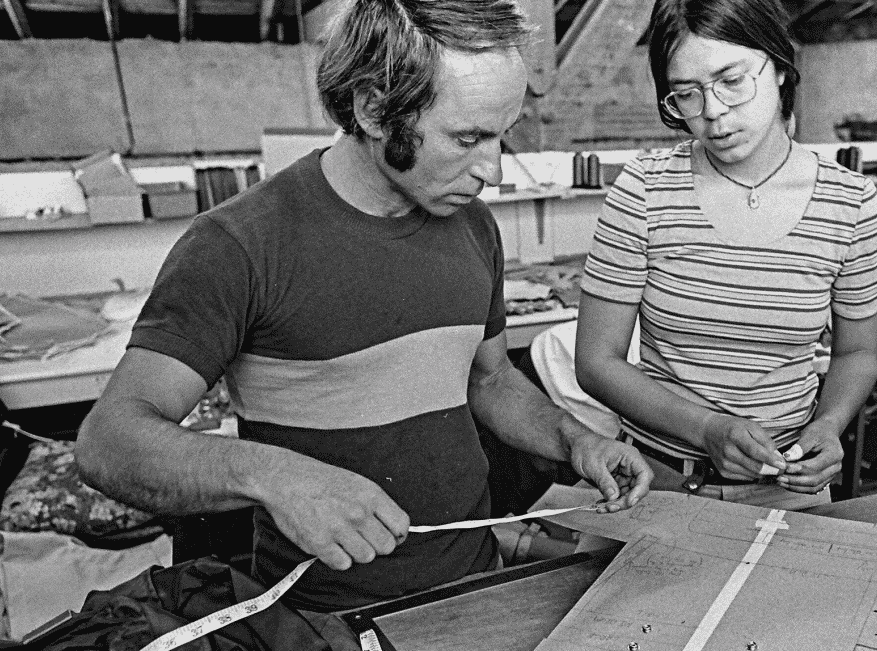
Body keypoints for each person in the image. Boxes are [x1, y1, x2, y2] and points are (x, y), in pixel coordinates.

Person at [74, 0, 651, 612]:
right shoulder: (239, 245)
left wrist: (574, 440)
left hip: (472, 587)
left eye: (501, 134)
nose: (494, 170)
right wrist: (274, 476)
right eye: (467, 137)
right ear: (374, 108)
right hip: (323, 615)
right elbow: (109, 442)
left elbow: (490, 380)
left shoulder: (473, 226)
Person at [574, 0, 877, 510]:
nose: (713, 112)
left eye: (732, 80)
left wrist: (828, 426)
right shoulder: (644, 189)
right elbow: (595, 362)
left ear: (781, 67)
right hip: (661, 482)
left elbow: (856, 354)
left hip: (789, 487)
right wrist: (707, 429)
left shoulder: (850, 202)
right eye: (686, 94)